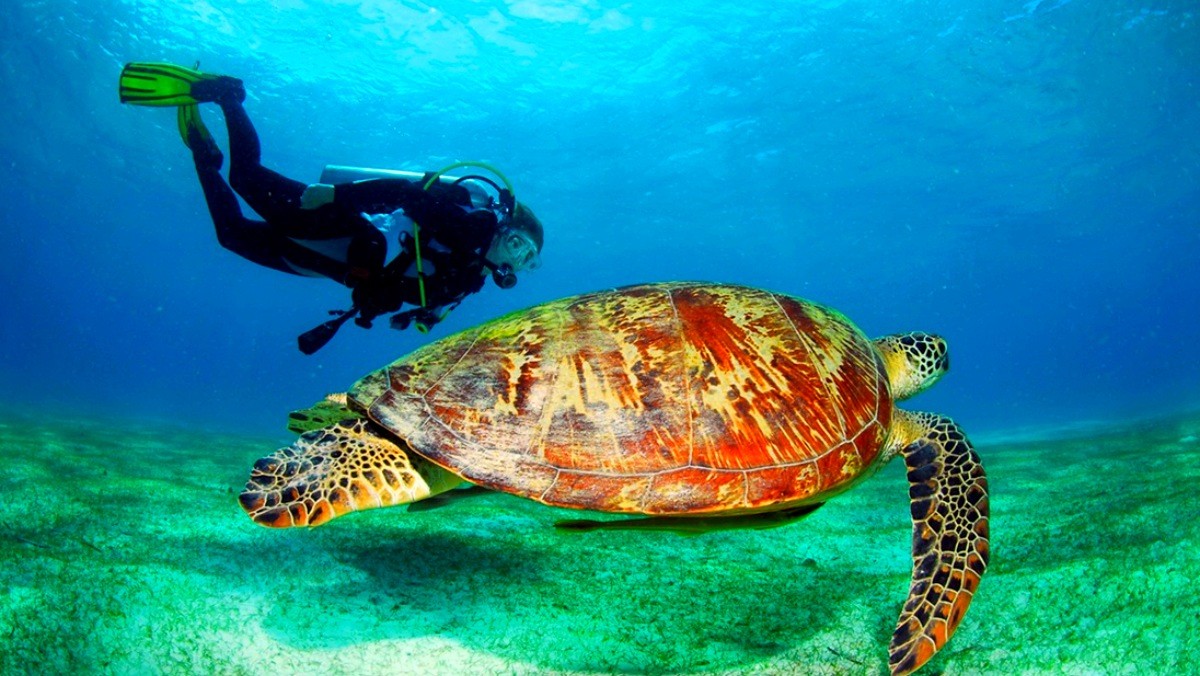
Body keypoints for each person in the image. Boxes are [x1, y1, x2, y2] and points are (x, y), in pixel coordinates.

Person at [118, 62, 544, 354]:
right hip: (342, 229)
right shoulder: (471, 228)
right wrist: (338, 196)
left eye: (527, 259)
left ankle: (203, 156)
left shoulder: (473, 279)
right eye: (519, 243)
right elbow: (403, 193)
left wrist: (414, 316)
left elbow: (424, 294)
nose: (517, 257)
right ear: (507, 228)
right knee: (246, 179)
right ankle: (230, 96)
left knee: (230, 234)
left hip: (335, 265)